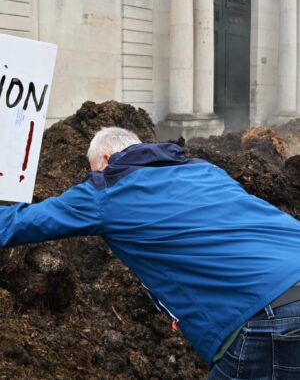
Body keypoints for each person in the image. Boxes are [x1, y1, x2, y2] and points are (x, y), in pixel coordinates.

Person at [1, 126, 300, 379]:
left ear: (105, 159)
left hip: (268, 318)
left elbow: (22, 223)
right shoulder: (203, 169)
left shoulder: (106, 190)